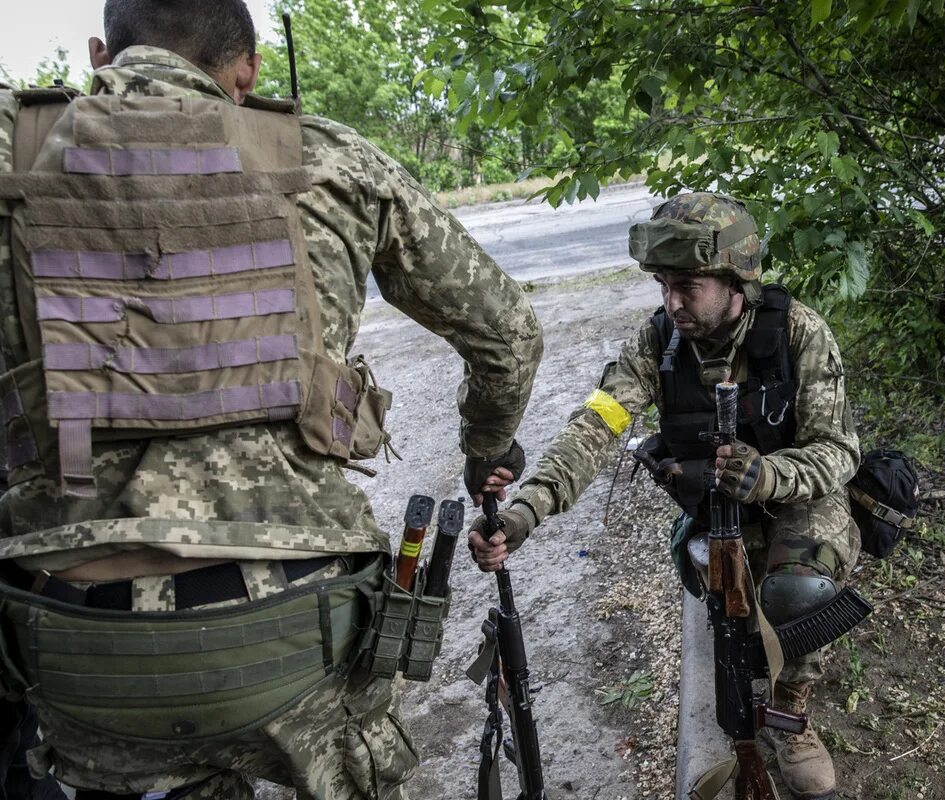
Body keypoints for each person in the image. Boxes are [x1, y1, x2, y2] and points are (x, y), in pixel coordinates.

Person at [0, 1, 540, 798]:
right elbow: (511, 337)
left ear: (98, 55)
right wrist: (483, 448)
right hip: (297, 629)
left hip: (76, 639)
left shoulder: (14, 151)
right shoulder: (328, 160)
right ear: (246, 71)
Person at [469, 192, 861, 800]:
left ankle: (791, 712)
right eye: (662, 284)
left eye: (689, 286)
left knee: (798, 592)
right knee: (722, 597)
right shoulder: (657, 342)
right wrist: (527, 511)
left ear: (735, 281)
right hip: (716, 509)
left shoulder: (798, 333)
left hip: (796, 499)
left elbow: (839, 452)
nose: (672, 301)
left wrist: (769, 476)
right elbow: (596, 426)